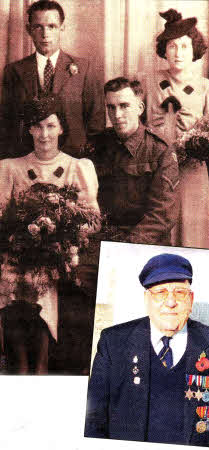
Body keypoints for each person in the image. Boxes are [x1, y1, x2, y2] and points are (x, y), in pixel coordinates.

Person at [85, 253, 209, 448]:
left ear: (190, 299)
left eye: (179, 293)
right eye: (161, 292)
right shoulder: (113, 343)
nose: (170, 302)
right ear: (147, 299)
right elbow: (93, 421)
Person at [0, 95, 100, 374]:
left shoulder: (77, 167)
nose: (44, 134)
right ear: (29, 129)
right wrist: (21, 236)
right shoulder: (11, 167)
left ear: (61, 128)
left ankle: (42, 364)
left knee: (46, 270)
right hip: (21, 249)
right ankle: (19, 363)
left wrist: (63, 236)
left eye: (50, 126)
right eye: (37, 126)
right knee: (14, 268)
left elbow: (92, 220)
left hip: (63, 251)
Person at [146, 9, 209, 249]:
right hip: (154, 172)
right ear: (164, 50)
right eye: (172, 46)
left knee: (192, 234)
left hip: (191, 174)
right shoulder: (147, 83)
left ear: (195, 51)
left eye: (184, 46)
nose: (178, 53)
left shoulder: (208, 89)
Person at [0, 0, 104, 159]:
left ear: (62, 28)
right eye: (38, 27)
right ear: (29, 30)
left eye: (52, 26)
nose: (45, 33)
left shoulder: (84, 69)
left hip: (72, 161)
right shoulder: (14, 71)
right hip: (26, 161)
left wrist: (85, 162)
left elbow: (96, 124)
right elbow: (7, 124)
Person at [90, 77, 179, 245]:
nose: (117, 115)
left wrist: (126, 247)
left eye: (124, 106)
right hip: (104, 240)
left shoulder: (160, 150)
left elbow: (162, 215)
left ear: (140, 108)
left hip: (145, 242)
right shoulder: (99, 145)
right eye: (111, 107)